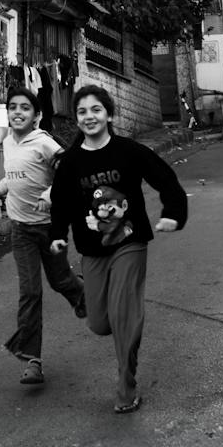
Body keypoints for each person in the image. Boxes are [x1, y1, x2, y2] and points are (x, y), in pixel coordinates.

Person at [49, 84, 188, 414]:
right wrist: (58, 234)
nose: (89, 116)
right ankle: (114, 312)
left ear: (109, 114)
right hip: (92, 251)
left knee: (124, 313)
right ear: (77, 119)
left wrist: (173, 214)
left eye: (96, 109)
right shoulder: (70, 163)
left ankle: (127, 387)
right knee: (99, 323)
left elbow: (165, 178)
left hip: (130, 240)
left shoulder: (129, 151)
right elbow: (60, 203)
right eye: (82, 111)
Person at [0, 88, 85, 387]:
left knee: (60, 281)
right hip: (21, 231)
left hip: (49, 227)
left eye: (25, 108)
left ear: (37, 115)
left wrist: (51, 194)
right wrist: (0, 189)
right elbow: (13, 174)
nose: (17, 112)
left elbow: (68, 173)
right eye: (12, 107)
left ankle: (88, 300)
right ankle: (32, 360)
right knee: (30, 292)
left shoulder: (44, 144)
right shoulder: (7, 142)